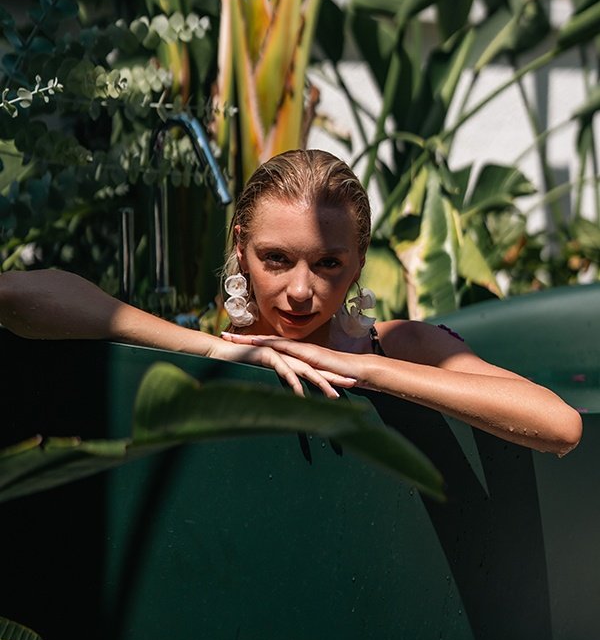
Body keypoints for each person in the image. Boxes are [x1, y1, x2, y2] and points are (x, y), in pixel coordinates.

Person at [0, 149, 582, 456]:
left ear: (358, 260)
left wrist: (362, 368)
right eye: (276, 258)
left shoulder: (399, 344)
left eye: (328, 263)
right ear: (242, 249)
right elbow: (20, 298)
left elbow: (560, 426)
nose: (301, 290)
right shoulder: (208, 345)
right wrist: (222, 352)